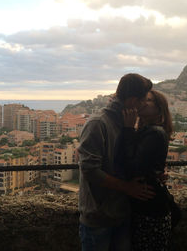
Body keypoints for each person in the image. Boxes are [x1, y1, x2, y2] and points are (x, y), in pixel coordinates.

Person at [78, 73, 155, 251]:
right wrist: (127, 187)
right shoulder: (98, 123)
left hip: (122, 213)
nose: (145, 104)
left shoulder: (128, 123)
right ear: (133, 100)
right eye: (144, 100)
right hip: (99, 217)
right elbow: (90, 170)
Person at [121, 90, 173, 251]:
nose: (143, 102)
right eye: (142, 98)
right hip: (148, 202)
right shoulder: (147, 132)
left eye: (148, 100)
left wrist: (128, 129)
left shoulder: (155, 132)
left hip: (149, 206)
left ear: (159, 109)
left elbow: (134, 167)